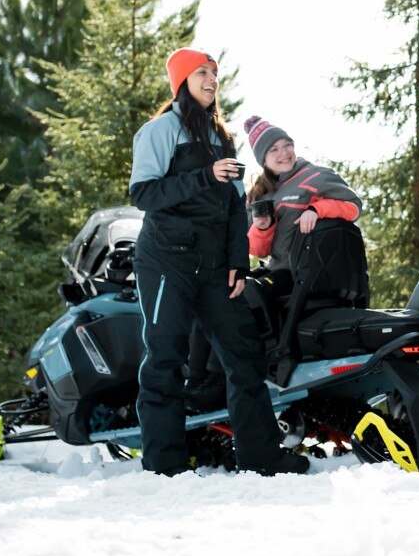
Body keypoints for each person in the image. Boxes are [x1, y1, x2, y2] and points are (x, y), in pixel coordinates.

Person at [128, 48, 307, 476]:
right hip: (166, 261)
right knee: (165, 356)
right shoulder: (159, 131)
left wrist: (237, 263)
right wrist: (204, 176)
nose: (212, 80)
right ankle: (164, 464)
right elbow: (144, 194)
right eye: (202, 73)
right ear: (182, 81)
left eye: (214, 73)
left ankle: (261, 456)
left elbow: (233, 207)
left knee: (243, 353)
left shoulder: (220, 138)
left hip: (214, 267)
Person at [242, 115, 363, 295]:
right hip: (279, 272)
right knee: (239, 292)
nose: (284, 152)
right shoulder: (259, 194)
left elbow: (353, 207)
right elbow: (258, 251)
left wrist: (316, 210)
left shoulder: (316, 176)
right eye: (274, 149)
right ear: (263, 159)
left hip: (310, 274)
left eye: (287, 145)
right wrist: (262, 228)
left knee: (252, 295)